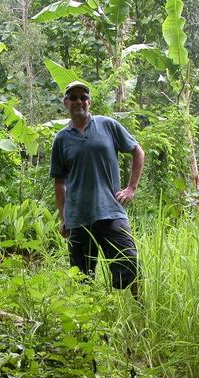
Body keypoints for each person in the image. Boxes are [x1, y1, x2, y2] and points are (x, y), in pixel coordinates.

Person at [50, 81, 145, 294]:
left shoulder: (107, 125)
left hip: (111, 212)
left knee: (130, 264)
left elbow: (137, 151)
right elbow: (59, 182)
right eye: (73, 98)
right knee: (82, 279)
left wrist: (131, 188)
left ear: (89, 102)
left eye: (83, 97)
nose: (79, 101)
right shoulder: (61, 139)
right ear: (66, 103)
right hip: (77, 218)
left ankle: (140, 314)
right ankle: (89, 323)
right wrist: (63, 218)